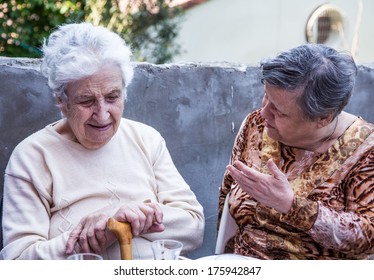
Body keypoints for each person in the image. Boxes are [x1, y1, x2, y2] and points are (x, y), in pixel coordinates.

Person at [0, 22, 204, 260]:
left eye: (112, 97)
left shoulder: (146, 140)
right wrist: (90, 236)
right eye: (87, 101)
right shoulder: (32, 156)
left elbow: (194, 228)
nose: (103, 113)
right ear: (61, 102)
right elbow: (16, 262)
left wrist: (130, 217)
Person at [218, 44, 374, 260]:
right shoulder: (256, 125)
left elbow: (368, 239)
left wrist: (293, 206)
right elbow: (227, 194)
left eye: (279, 111)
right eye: (266, 97)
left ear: (324, 118)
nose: (264, 113)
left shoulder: (366, 152)